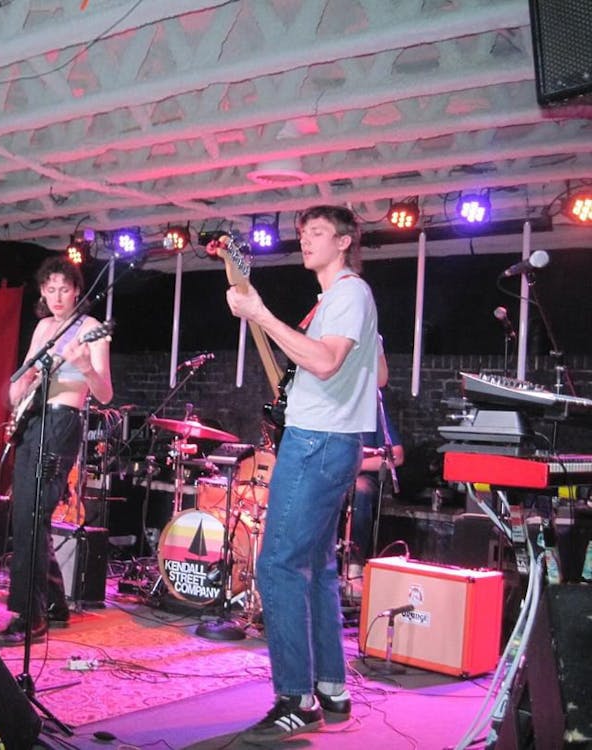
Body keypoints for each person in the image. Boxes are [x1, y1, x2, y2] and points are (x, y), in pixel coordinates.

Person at [220, 205, 378, 743]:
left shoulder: (350, 293)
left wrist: (260, 315)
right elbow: (373, 370)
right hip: (332, 441)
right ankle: (331, 688)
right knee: (315, 569)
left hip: (317, 443)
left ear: (344, 242)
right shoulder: (339, 301)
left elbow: (328, 362)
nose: (305, 240)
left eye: (317, 233)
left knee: (278, 567)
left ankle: (296, 699)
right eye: (303, 232)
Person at [0, 256, 113, 647]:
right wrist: (20, 386)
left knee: (32, 514)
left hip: (62, 421)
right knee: (27, 513)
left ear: (77, 290)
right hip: (33, 419)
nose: (58, 296)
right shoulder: (43, 327)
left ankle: (31, 616)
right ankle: (55, 604)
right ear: (42, 292)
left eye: (65, 288)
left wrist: (85, 368)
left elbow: (106, 393)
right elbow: (22, 380)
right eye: (50, 288)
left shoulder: (91, 329)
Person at [343, 390, 404, 594]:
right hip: (328, 475)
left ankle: (354, 567)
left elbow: (397, 456)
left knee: (360, 490)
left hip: (360, 474)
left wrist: (354, 464)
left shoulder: (372, 406)